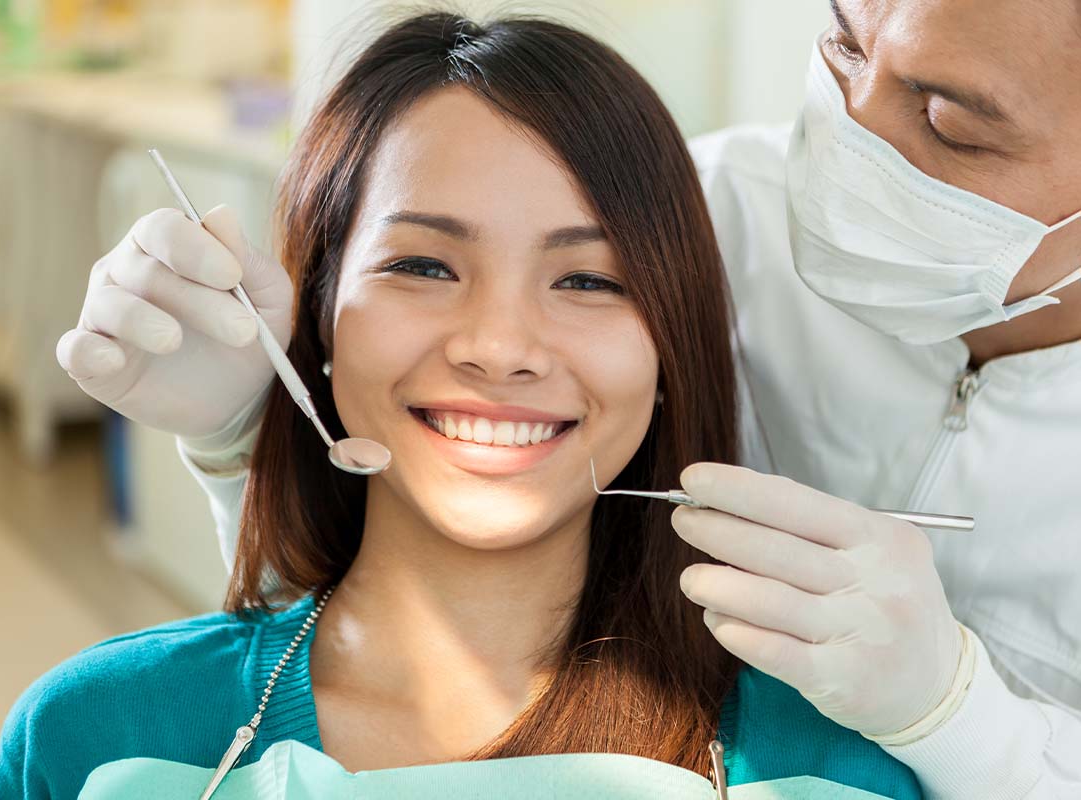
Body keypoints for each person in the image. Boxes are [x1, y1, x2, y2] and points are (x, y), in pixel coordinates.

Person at [58, 0, 1081, 797]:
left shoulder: (822, 771)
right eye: (844, 47)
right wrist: (253, 435)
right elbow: (360, 566)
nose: (501, 344)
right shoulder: (717, 205)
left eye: (947, 119)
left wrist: (955, 718)